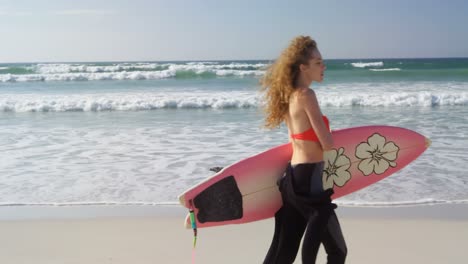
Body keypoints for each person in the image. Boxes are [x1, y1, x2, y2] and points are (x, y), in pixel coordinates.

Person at [260, 36, 347, 264]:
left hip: (293, 179)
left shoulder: (289, 97)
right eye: (318, 62)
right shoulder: (307, 95)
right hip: (311, 181)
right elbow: (327, 144)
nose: (323, 67)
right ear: (303, 67)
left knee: (284, 250)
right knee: (337, 251)